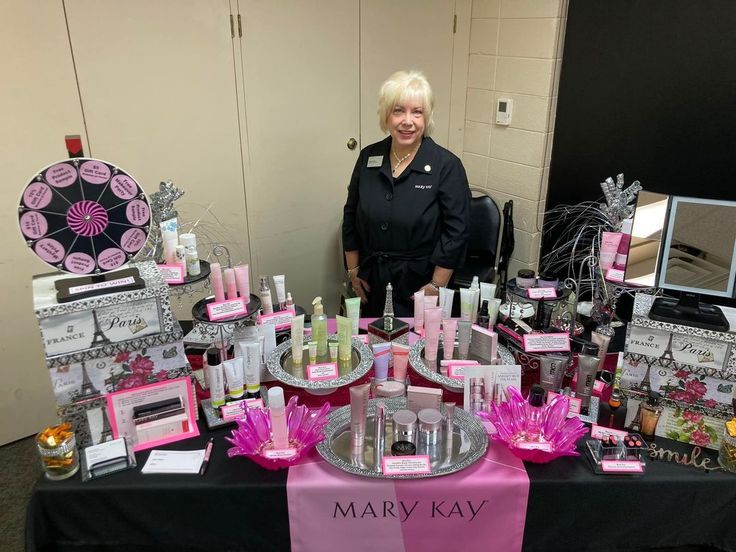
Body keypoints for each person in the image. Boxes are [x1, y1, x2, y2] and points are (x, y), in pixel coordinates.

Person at [342, 70, 471, 317]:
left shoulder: (446, 165)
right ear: (386, 115)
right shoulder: (369, 157)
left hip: (420, 287)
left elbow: (457, 231)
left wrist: (436, 286)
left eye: (417, 112)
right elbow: (351, 214)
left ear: (427, 116)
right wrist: (353, 270)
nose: (407, 121)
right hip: (371, 283)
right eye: (398, 110)